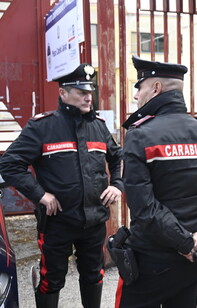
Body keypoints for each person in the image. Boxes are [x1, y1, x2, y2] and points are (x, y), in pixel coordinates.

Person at [116, 56, 197, 308]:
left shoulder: (140, 136)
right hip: (194, 259)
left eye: (140, 88)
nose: (137, 96)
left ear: (156, 89)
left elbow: (144, 207)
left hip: (152, 261)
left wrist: (186, 243)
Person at [0, 63, 123, 307]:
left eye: (90, 91)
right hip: (58, 221)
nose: (89, 96)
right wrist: (40, 195)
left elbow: (118, 156)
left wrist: (117, 183)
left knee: (93, 274)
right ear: (63, 93)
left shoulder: (98, 125)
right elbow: (10, 164)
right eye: (81, 92)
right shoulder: (42, 127)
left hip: (94, 220)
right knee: (51, 278)